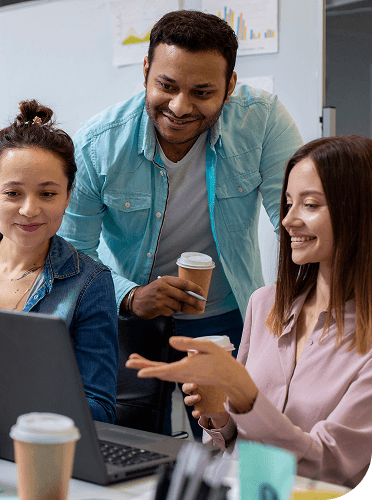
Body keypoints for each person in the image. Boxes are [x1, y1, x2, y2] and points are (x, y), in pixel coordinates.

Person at [58, 10, 303, 435]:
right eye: (166, 86)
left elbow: (293, 220)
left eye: (201, 92)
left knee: (233, 442)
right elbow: (72, 250)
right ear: (146, 71)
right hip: (129, 318)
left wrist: (301, 304)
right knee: (127, 440)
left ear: (229, 86)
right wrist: (130, 296)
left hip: (226, 317)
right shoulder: (98, 144)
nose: (179, 107)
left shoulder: (262, 120)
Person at [126, 135, 372, 488]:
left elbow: (330, 467)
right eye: (288, 203)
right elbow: (230, 449)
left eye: (310, 205)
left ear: (360, 212)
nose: (288, 220)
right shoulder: (264, 305)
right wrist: (219, 416)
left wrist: (245, 395)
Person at [0, 100, 119, 424]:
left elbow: (99, 408)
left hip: (37, 444)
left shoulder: (90, 283)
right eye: (13, 193)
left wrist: (13, 403)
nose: (29, 210)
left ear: (67, 196)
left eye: (47, 194)